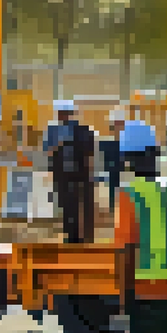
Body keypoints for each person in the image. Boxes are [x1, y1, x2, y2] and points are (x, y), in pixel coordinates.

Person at [111, 119, 167, 333]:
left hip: (145, 295)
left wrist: (123, 298)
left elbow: (125, 251)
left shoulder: (128, 195)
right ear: (157, 152)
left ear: (127, 160)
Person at [47, 100, 97, 244]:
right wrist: (59, 145)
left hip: (79, 175)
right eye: (61, 114)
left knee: (80, 205)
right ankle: (71, 235)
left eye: (65, 114)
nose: (63, 117)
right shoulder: (53, 131)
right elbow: (48, 151)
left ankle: (81, 236)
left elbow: (90, 152)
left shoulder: (82, 131)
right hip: (63, 175)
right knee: (67, 205)